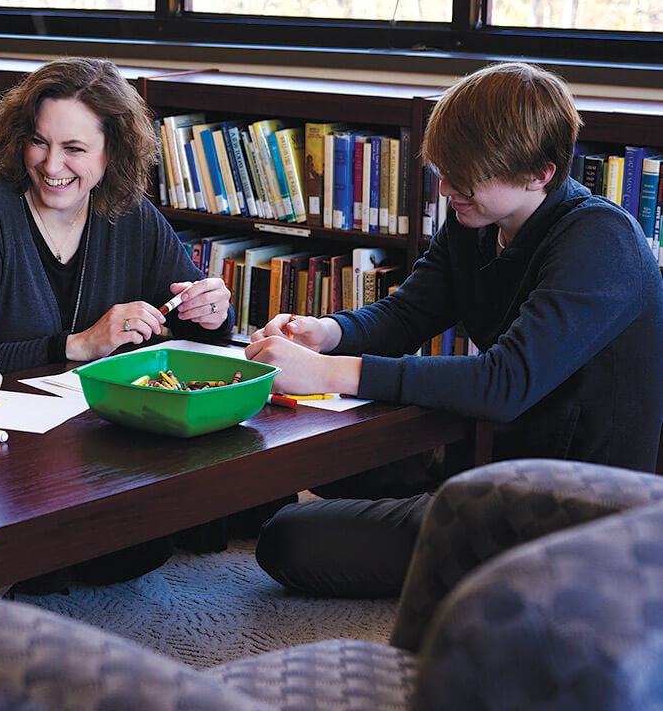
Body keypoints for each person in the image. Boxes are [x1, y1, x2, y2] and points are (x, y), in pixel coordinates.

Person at [246, 61, 663, 598]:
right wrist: (327, 333)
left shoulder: (602, 242)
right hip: (489, 454)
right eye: (445, 171)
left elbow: (502, 384)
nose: (446, 189)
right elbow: (408, 314)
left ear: (540, 173)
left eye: (467, 178)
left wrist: (326, 372)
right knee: (311, 465)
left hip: (571, 505)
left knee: (287, 539)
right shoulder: (478, 219)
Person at [0, 57, 235, 373]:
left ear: (113, 150)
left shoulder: (130, 211)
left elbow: (192, 322)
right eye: (39, 141)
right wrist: (77, 345)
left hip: (104, 402)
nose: (51, 165)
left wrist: (213, 313)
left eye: (73, 149)